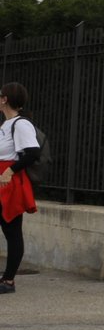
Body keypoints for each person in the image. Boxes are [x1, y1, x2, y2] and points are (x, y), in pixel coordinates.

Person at [0, 82, 43, 295]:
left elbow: (33, 152)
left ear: (5, 99)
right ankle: (7, 278)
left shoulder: (21, 124)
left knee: (12, 230)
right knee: (10, 230)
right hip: (3, 179)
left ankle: (8, 281)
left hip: (9, 182)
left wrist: (10, 171)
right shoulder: (6, 125)